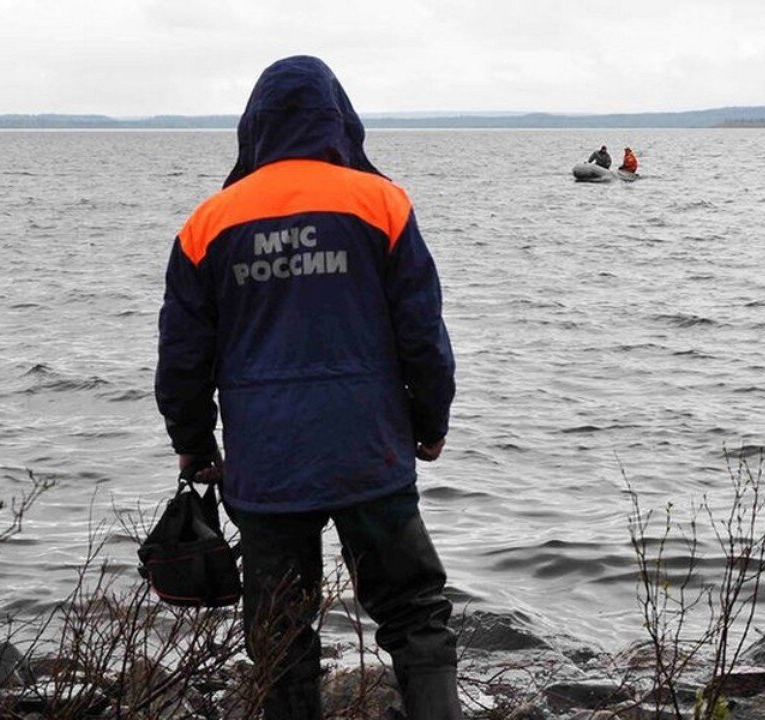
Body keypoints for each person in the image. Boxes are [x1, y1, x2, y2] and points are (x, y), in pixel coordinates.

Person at [155, 55, 460, 720]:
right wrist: (430, 423)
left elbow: (182, 358)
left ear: (254, 126)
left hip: (267, 466)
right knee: (414, 615)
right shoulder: (382, 203)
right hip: (369, 455)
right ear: (339, 118)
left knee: (280, 638)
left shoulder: (208, 223)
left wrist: (192, 443)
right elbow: (423, 335)